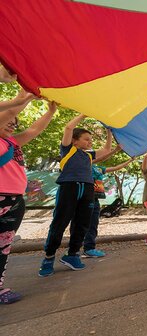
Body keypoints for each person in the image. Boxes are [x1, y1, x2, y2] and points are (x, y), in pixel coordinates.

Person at [38, 115, 112, 277]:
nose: (90, 142)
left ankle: (72, 255)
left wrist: (108, 130)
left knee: (82, 224)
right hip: (69, 188)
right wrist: (84, 114)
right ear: (74, 141)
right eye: (86, 139)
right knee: (60, 222)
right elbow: (68, 128)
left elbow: (107, 150)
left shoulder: (88, 155)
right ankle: (48, 258)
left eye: (90, 140)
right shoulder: (67, 150)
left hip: (87, 190)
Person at [0, 100, 56, 303]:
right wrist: (25, 97)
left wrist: (50, 112)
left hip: (15, 201)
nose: (12, 123)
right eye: (8, 118)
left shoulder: (13, 142)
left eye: (15, 122)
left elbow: (34, 129)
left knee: (4, 246)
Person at [83, 139, 134, 257]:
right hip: (85, 196)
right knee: (81, 223)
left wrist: (130, 161)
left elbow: (116, 167)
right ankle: (74, 249)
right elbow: (102, 157)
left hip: (95, 198)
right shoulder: (85, 165)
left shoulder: (98, 168)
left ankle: (89, 247)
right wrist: (115, 150)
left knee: (93, 223)